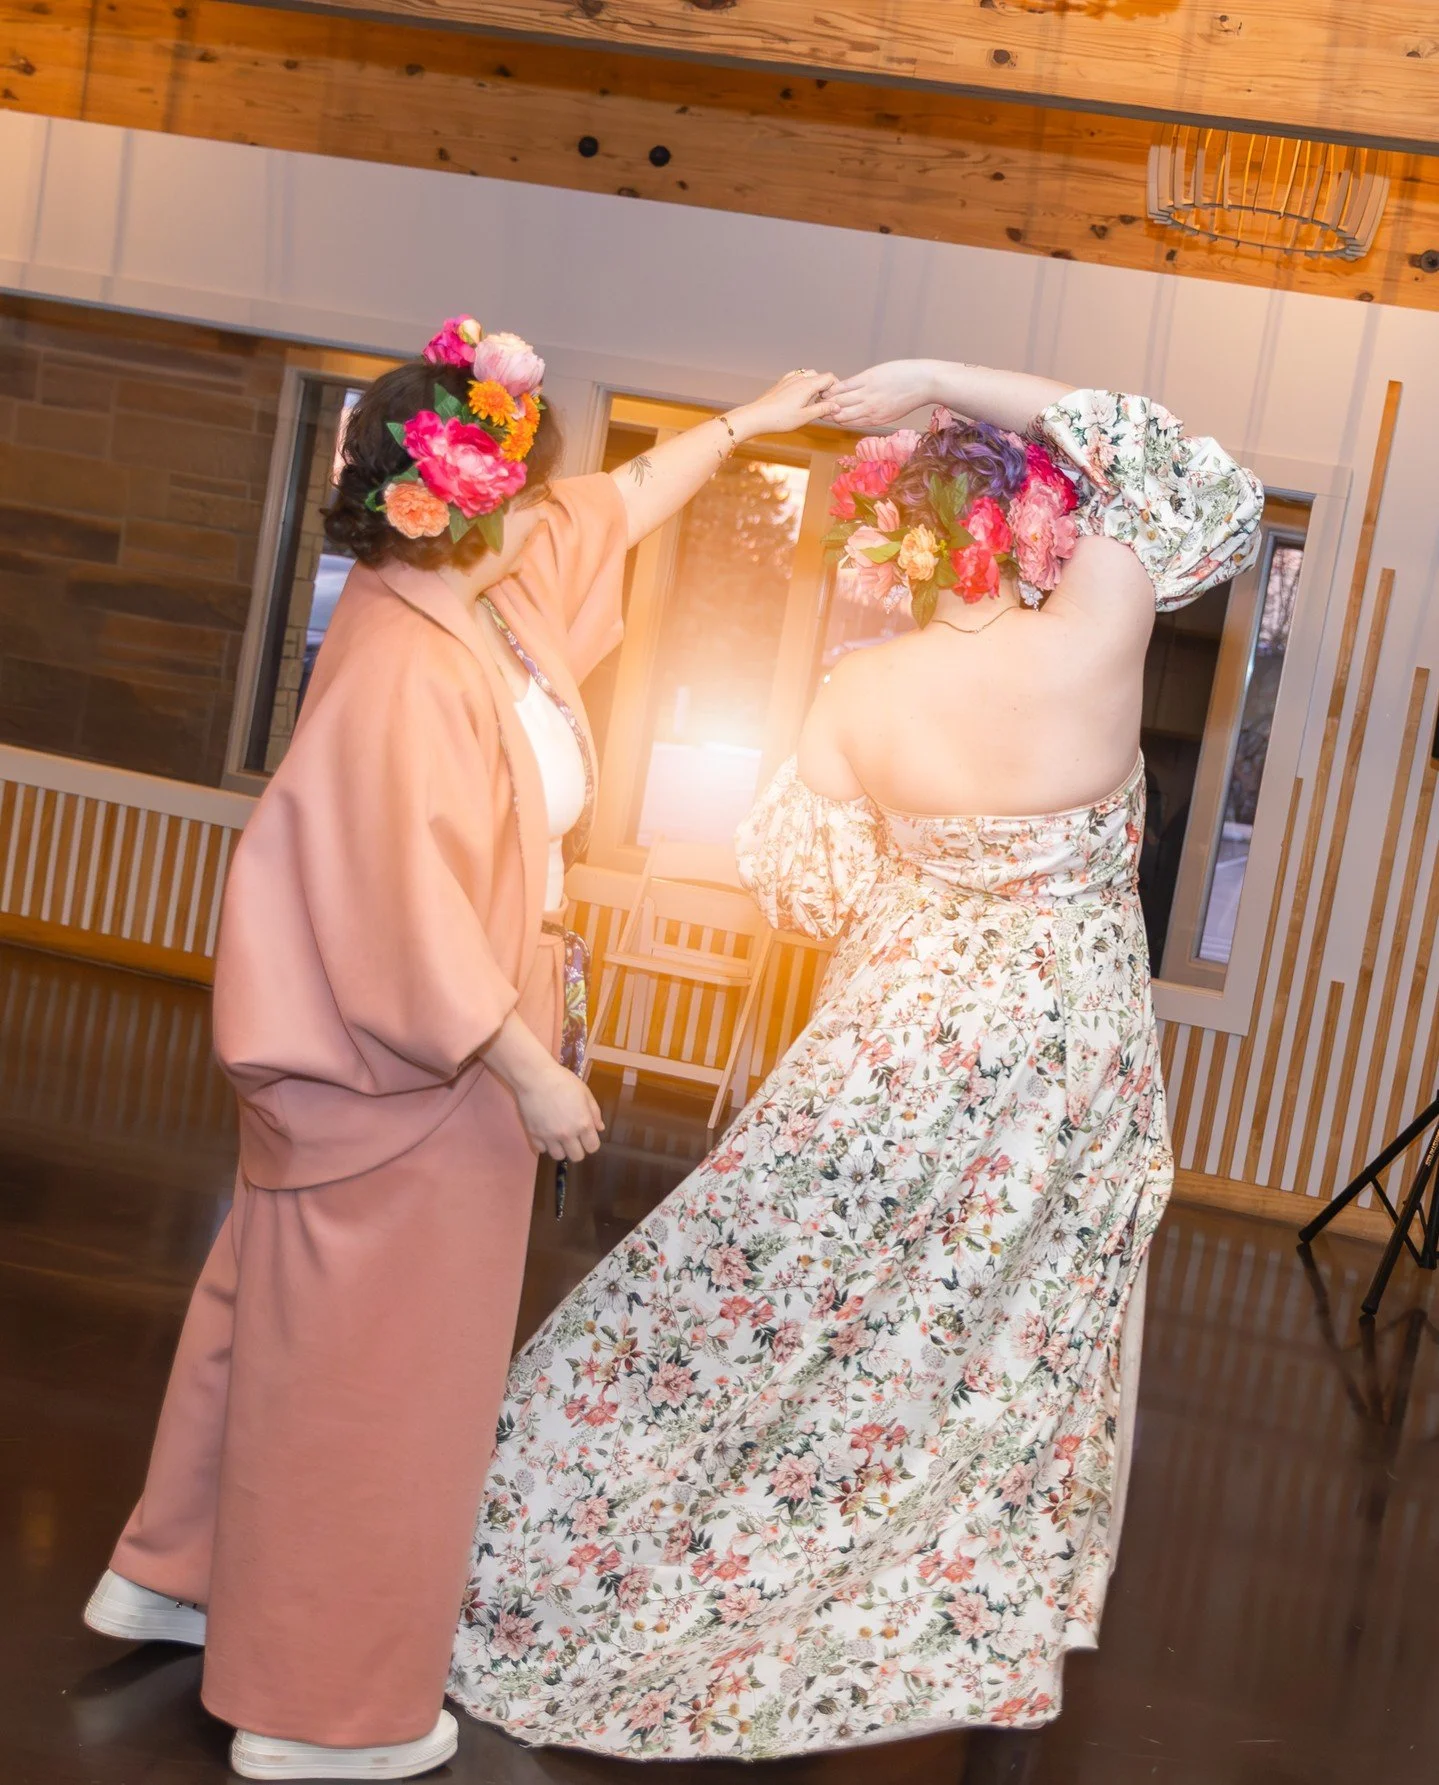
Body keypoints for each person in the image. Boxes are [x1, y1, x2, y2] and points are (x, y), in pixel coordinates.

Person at [449, 361, 1262, 1759]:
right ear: (1029, 529)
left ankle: (618, 1545)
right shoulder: (1094, 640)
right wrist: (951, 381)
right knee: (997, 1346)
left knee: (789, 1305)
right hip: (1057, 1061)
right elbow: (1190, 468)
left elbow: (807, 894)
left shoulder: (857, 695)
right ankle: (939, 1600)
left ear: (901, 545)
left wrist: (929, 876)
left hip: (888, 1042)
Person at [80, 313, 837, 1783]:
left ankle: (176, 1575)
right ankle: (317, 1713)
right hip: (415, 1073)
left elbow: (610, 507)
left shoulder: (457, 597)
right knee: (383, 1385)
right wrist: (528, 1067)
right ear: (471, 493)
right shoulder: (408, 669)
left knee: (281, 1334)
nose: (551, 500)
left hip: (378, 1071)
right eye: (521, 474)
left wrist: (747, 423)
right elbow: (397, 898)